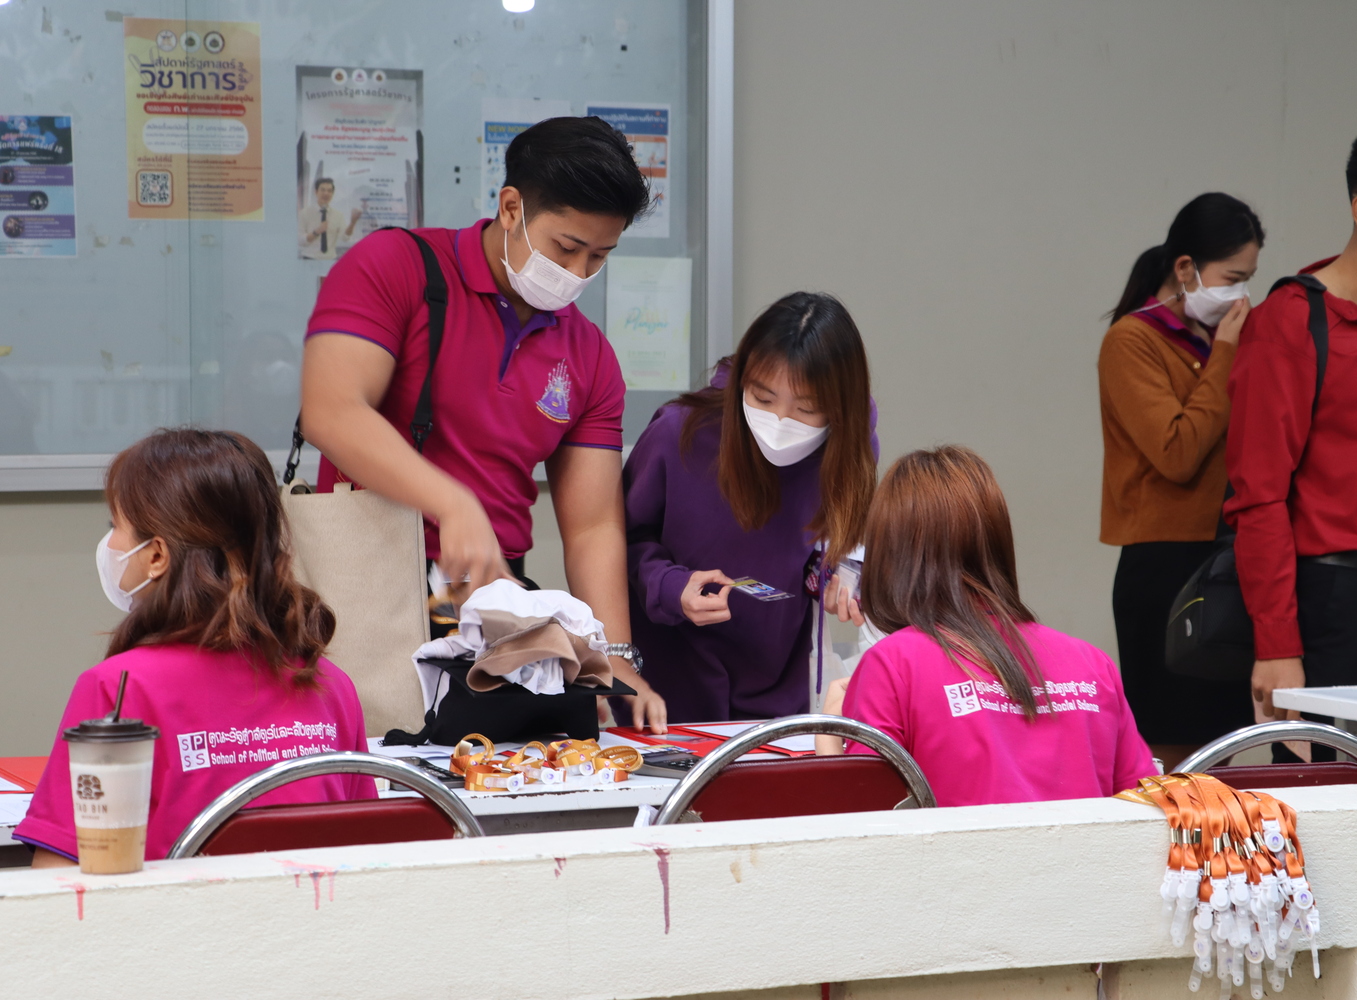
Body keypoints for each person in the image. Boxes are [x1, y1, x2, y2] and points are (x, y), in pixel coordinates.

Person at [300, 116, 666, 730]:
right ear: (511, 207)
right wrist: (453, 503)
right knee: (376, 763)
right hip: (367, 589)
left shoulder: (589, 355)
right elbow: (332, 410)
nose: (578, 273)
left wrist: (618, 660)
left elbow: (593, 526)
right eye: (566, 248)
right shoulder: (397, 266)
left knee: (510, 771)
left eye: (599, 257)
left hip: (490, 611)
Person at [14, 429, 376, 865]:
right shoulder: (330, 685)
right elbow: (367, 854)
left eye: (115, 527)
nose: (109, 544)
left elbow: (61, 874)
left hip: (176, 912)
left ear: (156, 555)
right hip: (312, 908)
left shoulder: (118, 690)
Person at [820, 446, 1155, 807]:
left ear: (889, 558)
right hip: (1092, 848)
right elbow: (1149, 808)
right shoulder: (1093, 664)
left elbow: (866, 820)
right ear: (997, 545)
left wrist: (829, 734)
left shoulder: (891, 665)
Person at [624, 292, 876, 721]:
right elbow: (620, 540)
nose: (779, 422)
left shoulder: (848, 445)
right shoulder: (680, 433)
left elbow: (836, 535)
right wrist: (669, 586)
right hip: (671, 686)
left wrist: (842, 572)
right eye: (762, 398)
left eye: (806, 409)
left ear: (839, 412)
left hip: (777, 688)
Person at [1229, 116, 1357, 762]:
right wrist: (1277, 645)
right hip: (1333, 602)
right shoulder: (1292, 322)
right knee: (1330, 798)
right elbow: (1259, 495)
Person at [1098, 193, 1264, 770]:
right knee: (1174, 746)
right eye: (1232, 278)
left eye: (1249, 279)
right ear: (1186, 268)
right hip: (1163, 565)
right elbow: (1177, 451)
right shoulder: (1133, 340)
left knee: (1229, 740)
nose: (1240, 295)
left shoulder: (1222, 339)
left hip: (1227, 555)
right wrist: (1227, 352)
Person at [298, 178, 363, 260]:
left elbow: (345, 238)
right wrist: (316, 232)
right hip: (309, 258)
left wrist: (353, 223)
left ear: (332, 194)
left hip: (330, 259)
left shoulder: (338, 215)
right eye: (323, 190)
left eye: (329, 191)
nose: (326, 193)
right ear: (316, 192)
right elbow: (300, 240)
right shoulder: (304, 213)